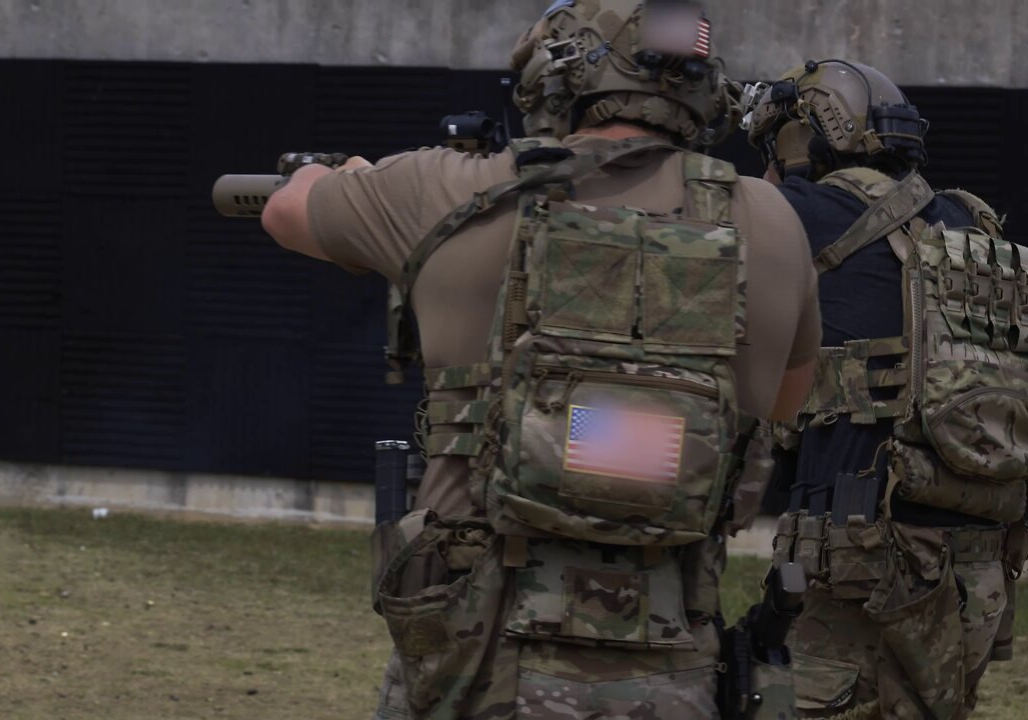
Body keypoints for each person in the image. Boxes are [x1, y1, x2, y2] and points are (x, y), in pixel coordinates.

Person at [264, 2, 820, 717]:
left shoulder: (449, 190)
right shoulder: (773, 223)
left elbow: (287, 210)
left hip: (476, 665)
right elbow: (786, 404)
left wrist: (360, 179)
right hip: (671, 666)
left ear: (558, 74)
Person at [747, 60, 1027, 719]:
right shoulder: (971, 226)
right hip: (977, 570)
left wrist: (780, 182)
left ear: (801, 140)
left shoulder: (804, 214)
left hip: (857, 560)